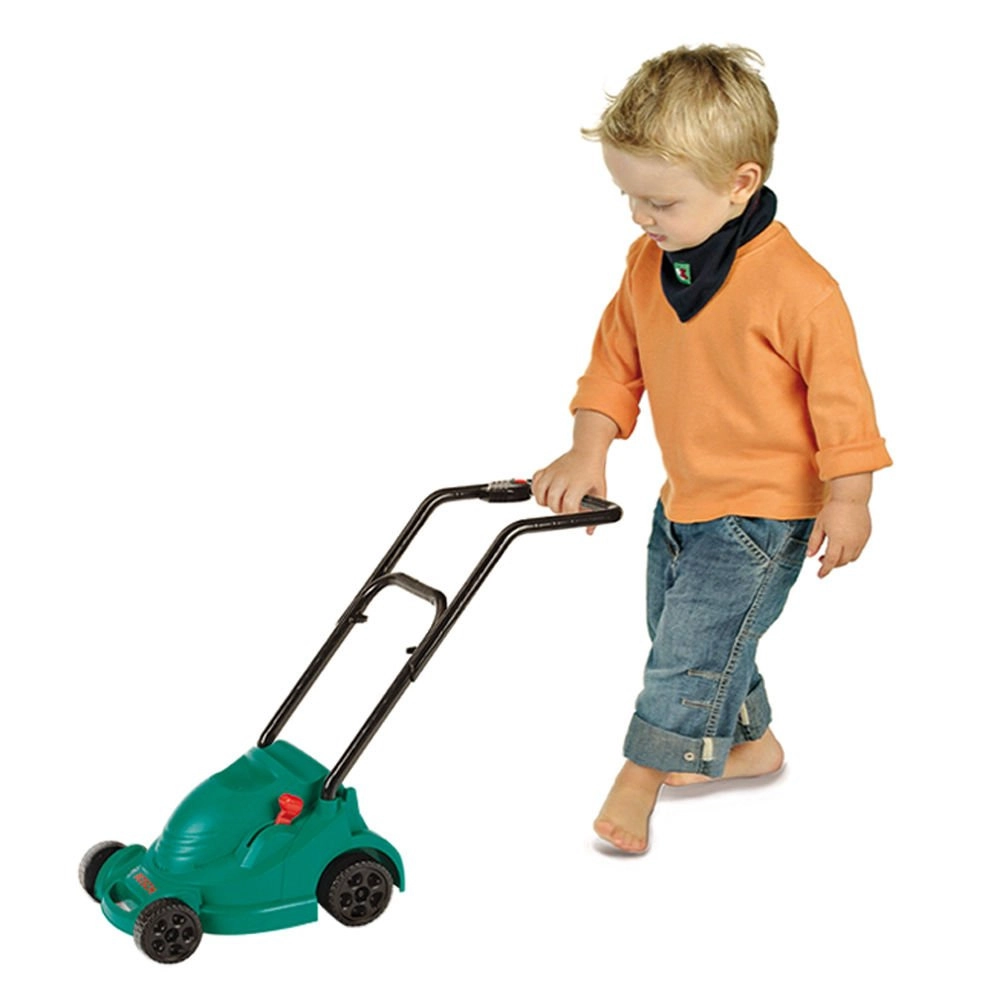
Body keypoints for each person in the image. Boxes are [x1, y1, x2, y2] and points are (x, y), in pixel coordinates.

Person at [532, 45, 891, 854]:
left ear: (740, 183)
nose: (640, 218)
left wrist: (851, 497)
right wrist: (587, 452)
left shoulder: (800, 288)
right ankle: (750, 744)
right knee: (688, 633)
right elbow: (614, 364)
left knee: (687, 651)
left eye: (660, 201)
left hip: (765, 514)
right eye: (629, 197)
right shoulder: (647, 265)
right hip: (686, 499)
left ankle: (641, 775)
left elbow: (843, 406)